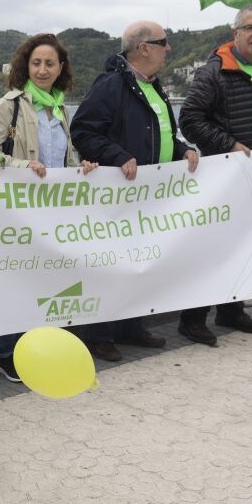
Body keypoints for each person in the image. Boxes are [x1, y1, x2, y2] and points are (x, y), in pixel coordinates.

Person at [70, 20, 198, 361]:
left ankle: (130, 327)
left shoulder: (154, 87)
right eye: (163, 42)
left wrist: (182, 149)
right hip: (118, 197)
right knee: (111, 264)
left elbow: (162, 133)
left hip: (149, 199)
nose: (168, 48)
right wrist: (119, 156)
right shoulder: (111, 85)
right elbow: (83, 131)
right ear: (144, 48)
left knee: (141, 261)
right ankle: (98, 334)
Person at [0, 33, 98, 381]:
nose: (43, 70)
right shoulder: (9, 105)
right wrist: (22, 168)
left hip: (53, 213)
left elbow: (62, 158)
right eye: (36, 63)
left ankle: (42, 347)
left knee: (45, 281)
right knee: (15, 279)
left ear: (61, 68)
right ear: (25, 66)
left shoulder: (59, 108)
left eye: (50, 63)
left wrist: (82, 168)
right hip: (17, 211)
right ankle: (7, 352)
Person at [177, 4, 252, 346]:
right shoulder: (215, 71)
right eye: (250, 28)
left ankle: (231, 310)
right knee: (211, 248)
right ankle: (192, 318)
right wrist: (227, 143)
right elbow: (190, 120)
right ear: (236, 33)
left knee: (247, 243)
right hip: (224, 175)